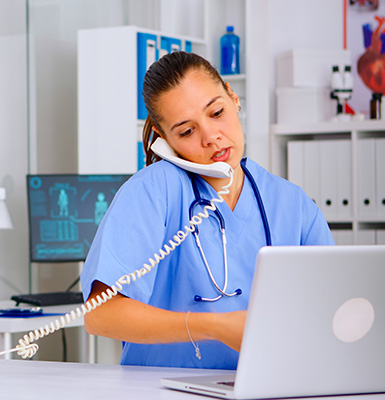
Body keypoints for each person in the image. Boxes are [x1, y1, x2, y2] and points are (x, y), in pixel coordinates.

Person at [81, 51, 335, 370]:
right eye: (187, 132)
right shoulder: (152, 192)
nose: (211, 137)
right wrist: (212, 327)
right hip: (158, 392)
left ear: (233, 96)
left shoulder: (292, 204)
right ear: (164, 139)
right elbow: (100, 314)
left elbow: (332, 307)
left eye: (216, 112)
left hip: (264, 386)